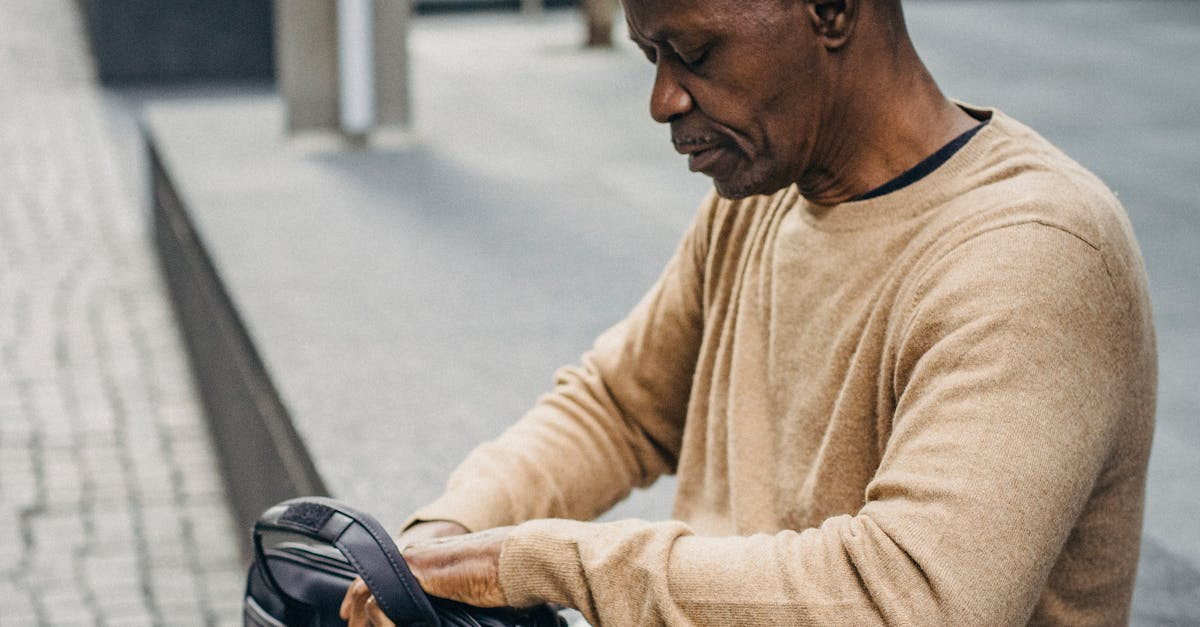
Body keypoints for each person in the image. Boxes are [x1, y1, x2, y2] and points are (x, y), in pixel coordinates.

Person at [342, 0, 1156, 624]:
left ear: (832, 10)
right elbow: (619, 407)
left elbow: (912, 599)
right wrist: (446, 534)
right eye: (651, 56)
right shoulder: (761, 197)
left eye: (693, 52)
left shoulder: (1034, 251)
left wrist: (531, 562)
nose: (663, 100)